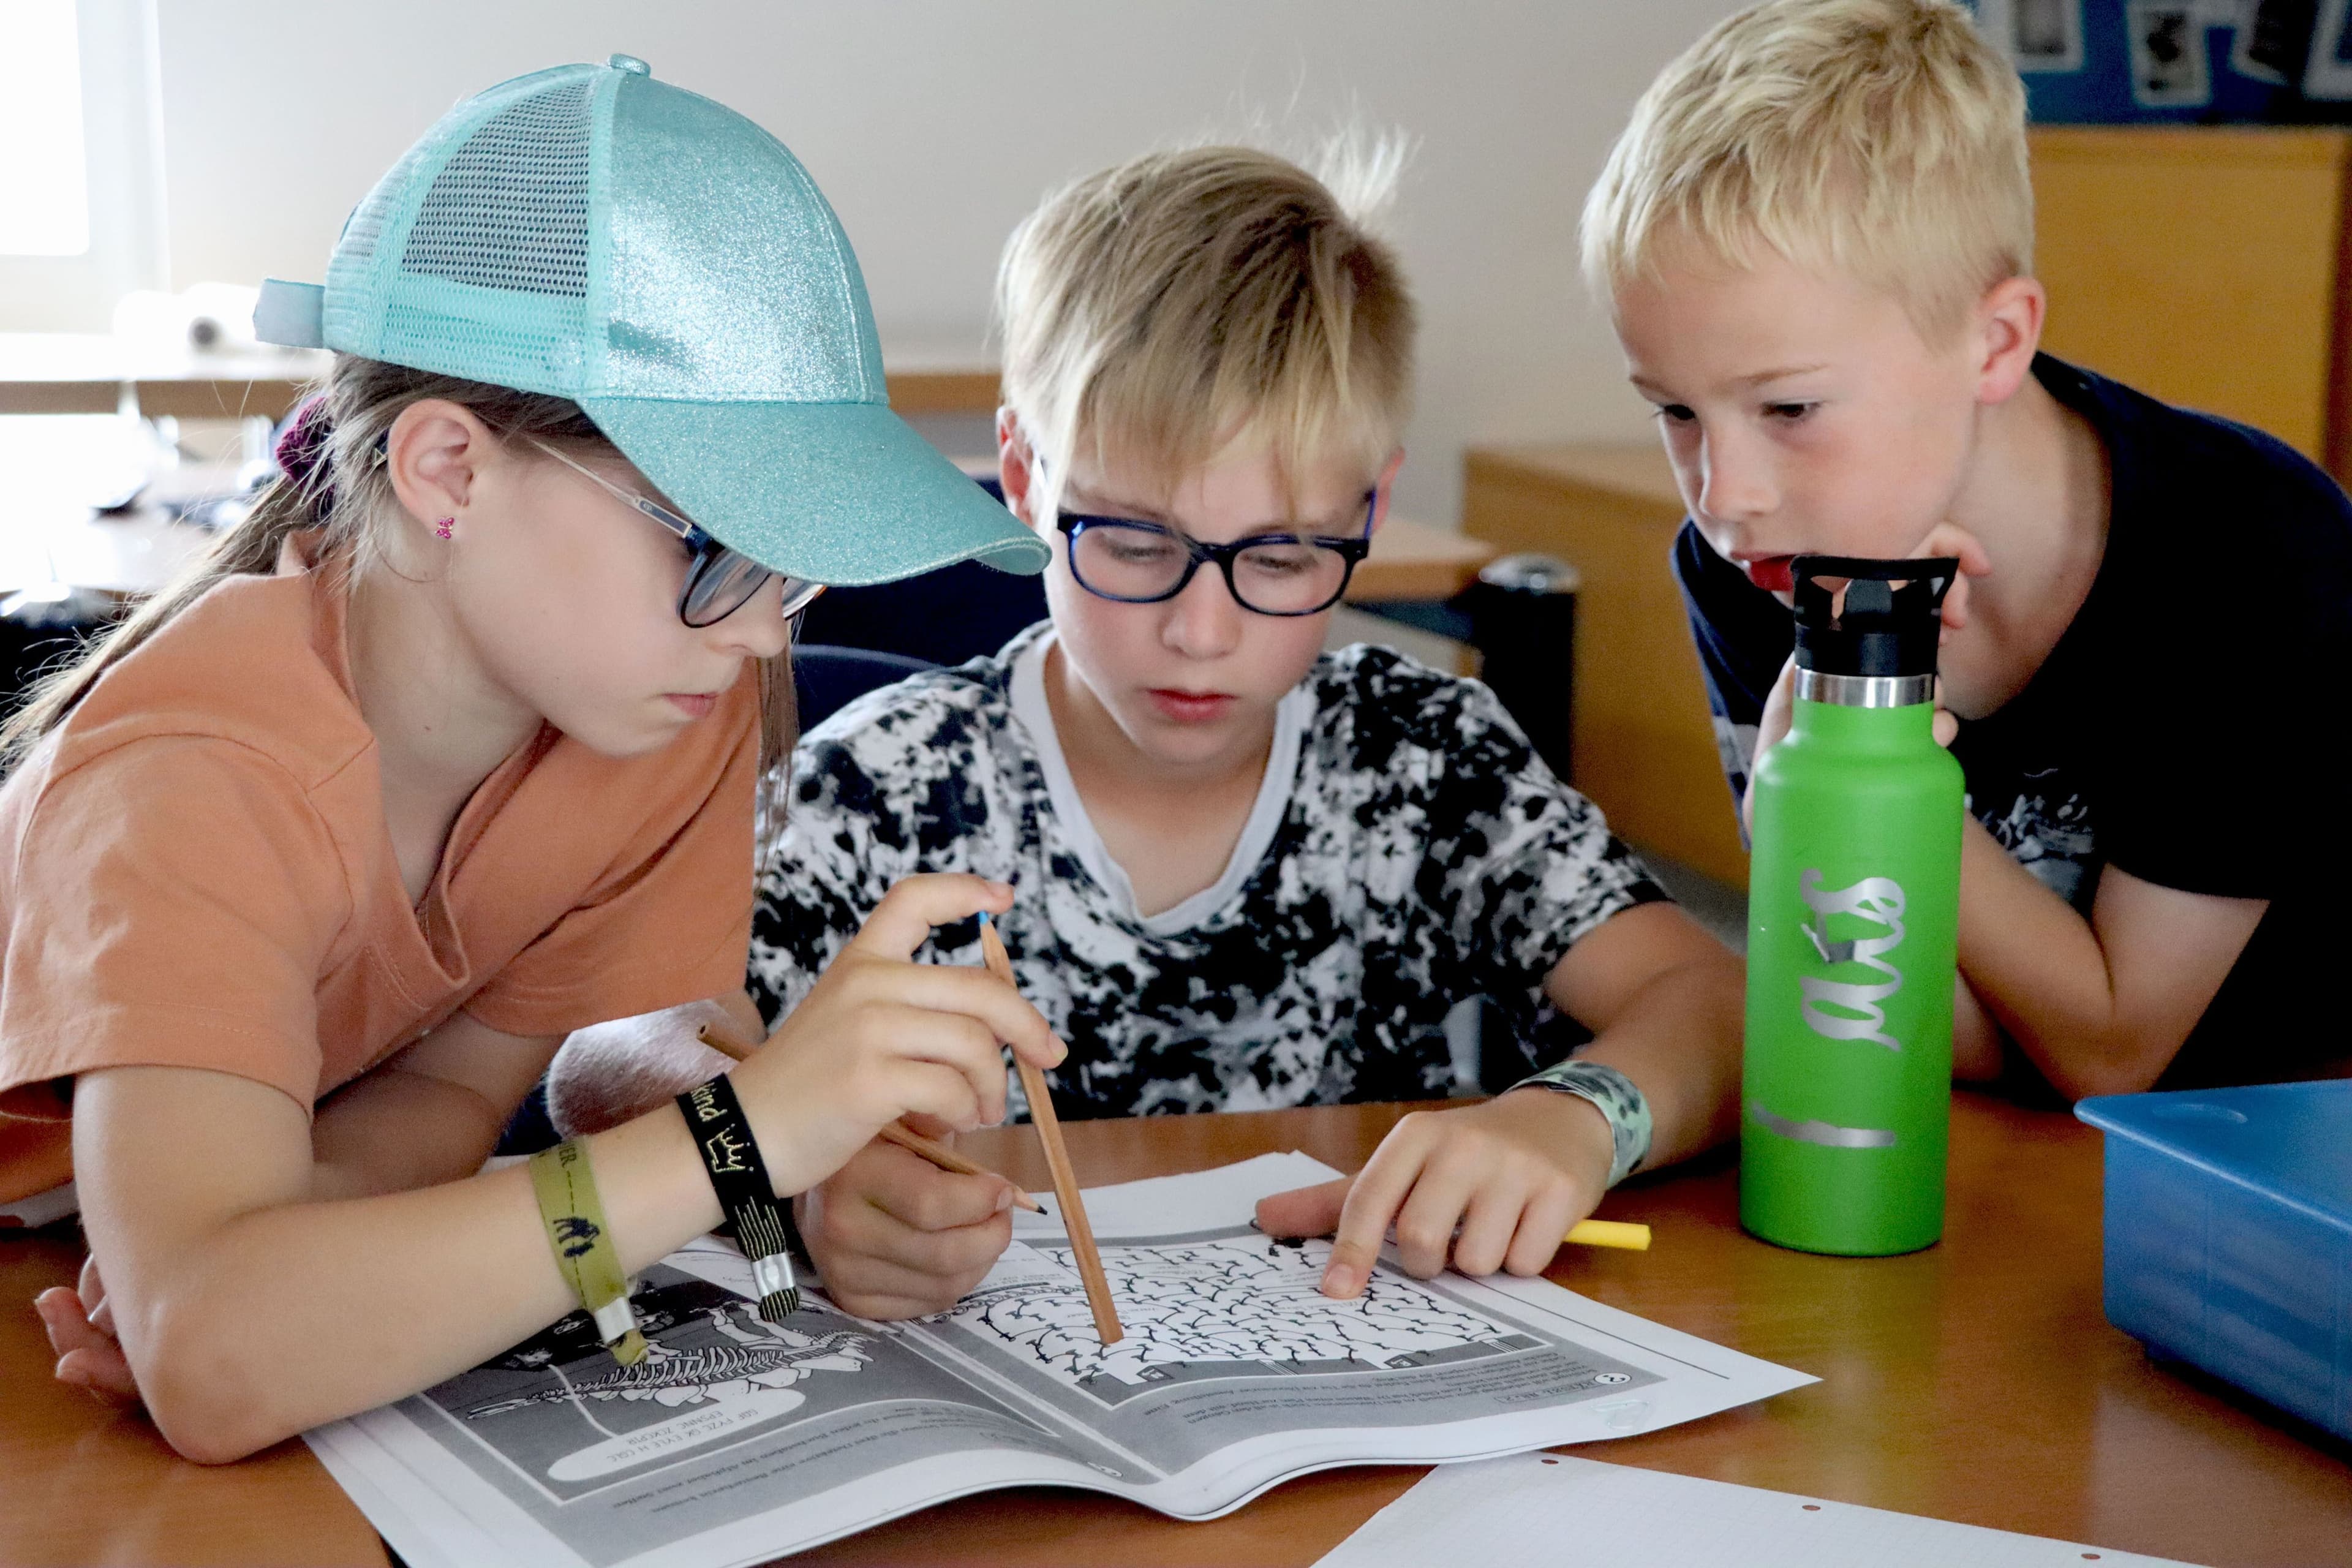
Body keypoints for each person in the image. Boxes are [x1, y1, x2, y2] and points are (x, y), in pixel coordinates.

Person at [5, 56, 1060, 1462]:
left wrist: (286, 1288)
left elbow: (440, 1100)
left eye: (787, 568)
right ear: (449, 470)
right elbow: (211, 1367)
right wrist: (752, 1133)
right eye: (714, 550)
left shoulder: (659, 701)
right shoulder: (192, 773)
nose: (758, 634)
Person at [551, 144, 1745, 1320]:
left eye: (1280, 553)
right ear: (1022, 472)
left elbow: (1716, 1001)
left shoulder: (1424, 757)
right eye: (1131, 541)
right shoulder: (892, 786)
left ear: (1368, 507)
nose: (1201, 629)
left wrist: (1581, 1112)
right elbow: (609, 1056)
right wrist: (789, 1175)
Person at [1584, 0, 2352, 1100]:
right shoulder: (1755, 564)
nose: (1724, 498)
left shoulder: (2253, 552)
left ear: (1994, 342)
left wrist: (1865, 780)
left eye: (1791, 408)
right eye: (1674, 411)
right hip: (1993, 1151)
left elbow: (2111, 1054)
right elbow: (1894, 1022)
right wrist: (1811, 836)